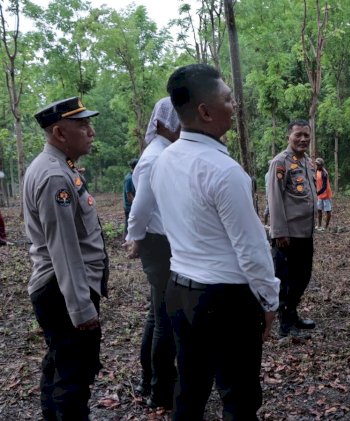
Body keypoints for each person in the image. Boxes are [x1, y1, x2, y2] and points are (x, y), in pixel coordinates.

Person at [150, 64, 279, 420]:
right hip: (225, 300)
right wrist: (269, 300)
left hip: (180, 291)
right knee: (238, 397)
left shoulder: (164, 161)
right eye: (227, 98)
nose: (233, 104)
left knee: (189, 389)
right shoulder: (224, 172)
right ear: (205, 112)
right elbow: (252, 250)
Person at [24, 97, 108, 419]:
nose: (91, 131)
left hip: (62, 288)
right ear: (60, 133)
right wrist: (81, 308)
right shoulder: (54, 177)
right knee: (74, 376)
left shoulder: (59, 166)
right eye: (82, 125)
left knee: (60, 363)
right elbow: (64, 249)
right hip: (64, 290)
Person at [124, 97, 181, 409]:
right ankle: (160, 391)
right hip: (159, 245)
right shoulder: (155, 157)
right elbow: (139, 208)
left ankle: (149, 379)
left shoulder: (164, 152)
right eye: (178, 120)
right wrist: (135, 239)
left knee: (156, 316)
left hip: (161, 243)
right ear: (161, 123)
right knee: (165, 322)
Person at [267, 120, 317, 338]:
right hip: (288, 234)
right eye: (298, 135)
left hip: (305, 232)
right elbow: (274, 199)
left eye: (306, 135)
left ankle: (293, 314)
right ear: (289, 136)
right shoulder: (280, 162)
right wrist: (279, 232)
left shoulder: (307, 162)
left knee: (303, 276)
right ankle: (285, 325)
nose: (303, 139)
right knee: (286, 279)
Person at [315, 157, 333, 231]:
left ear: (321, 165)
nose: (317, 166)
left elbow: (324, 187)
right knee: (319, 210)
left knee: (327, 210)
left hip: (326, 194)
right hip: (319, 194)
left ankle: (326, 227)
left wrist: (316, 193)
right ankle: (319, 225)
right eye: (316, 164)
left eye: (318, 165)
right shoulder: (316, 170)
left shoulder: (324, 173)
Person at [123, 158, 137, 239]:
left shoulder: (133, 176)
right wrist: (136, 204)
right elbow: (129, 195)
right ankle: (126, 242)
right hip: (129, 206)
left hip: (131, 205)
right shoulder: (129, 178)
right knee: (128, 226)